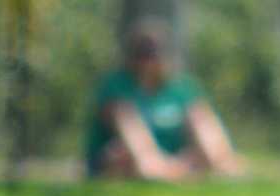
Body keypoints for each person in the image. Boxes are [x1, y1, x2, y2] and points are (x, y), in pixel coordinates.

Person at [84, 19, 244, 181]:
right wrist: (153, 163)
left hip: (175, 157)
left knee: (200, 123)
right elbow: (130, 132)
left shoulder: (182, 87)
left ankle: (217, 165)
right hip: (127, 158)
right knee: (122, 153)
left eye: (153, 52)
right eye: (142, 52)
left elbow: (204, 124)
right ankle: (169, 171)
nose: (148, 60)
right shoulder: (116, 86)